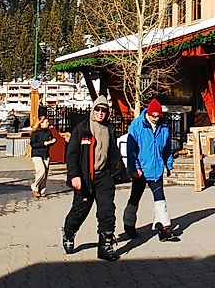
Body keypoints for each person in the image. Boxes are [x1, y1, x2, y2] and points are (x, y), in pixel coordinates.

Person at [62, 97, 128, 261]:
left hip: (104, 177)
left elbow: (113, 154)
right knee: (79, 211)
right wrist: (74, 175)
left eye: (104, 110)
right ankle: (69, 233)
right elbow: (71, 155)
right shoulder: (82, 129)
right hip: (85, 177)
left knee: (107, 211)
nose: (100, 113)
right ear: (93, 110)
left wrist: (118, 173)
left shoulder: (109, 130)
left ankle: (105, 247)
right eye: (97, 110)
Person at [123, 98, 180, 242]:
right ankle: (128, 223)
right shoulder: (136, 127)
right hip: (141, 169)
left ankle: (165, 228)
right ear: (148, 113)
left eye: (158, 116)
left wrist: (168, 164)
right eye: (153, 115)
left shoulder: (164, 127)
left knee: (160, 199)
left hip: (156, 169)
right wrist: (134, 167)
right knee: (135, 197)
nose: (155, 118)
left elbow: (167, 148)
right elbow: (131, 150)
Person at [29, 116, 56, 198]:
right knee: (41, 170)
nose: (48, 123)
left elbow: (52, 139)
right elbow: (33, 144)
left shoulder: (48, 132)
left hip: (45, 154)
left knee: (45, 173)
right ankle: (35, 186)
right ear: (40, 123)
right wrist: (44, 144)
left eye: (48, 122)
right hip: (37, 154)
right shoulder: (35, 133)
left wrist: (53, 141)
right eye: (46, 122)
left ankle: (42, 190)